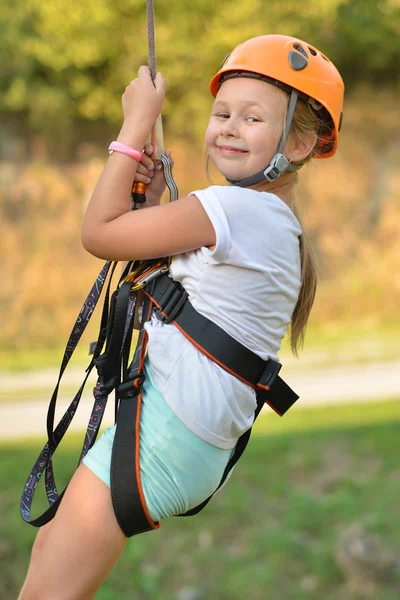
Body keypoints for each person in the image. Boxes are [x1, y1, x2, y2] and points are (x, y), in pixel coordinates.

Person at [19, 34, 344, 599]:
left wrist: (134, 124)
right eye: (222, 113)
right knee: (53, 565)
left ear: (299, 143)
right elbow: (157, 259)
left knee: (47, 590)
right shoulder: (260, 218)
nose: (229, 127)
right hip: (184, 437)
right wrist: (150, 195)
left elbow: (100, 234)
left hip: (165, 435)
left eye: (252, 118)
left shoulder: (236, 210)